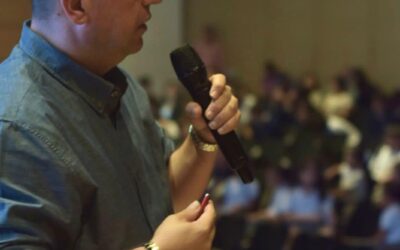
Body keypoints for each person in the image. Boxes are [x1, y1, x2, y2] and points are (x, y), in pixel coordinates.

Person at [0, 0, 242, 249]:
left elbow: (161, 196)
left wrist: (203, 137)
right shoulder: (15, 123)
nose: (154, 1)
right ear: (77, 6)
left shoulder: (117, 83)